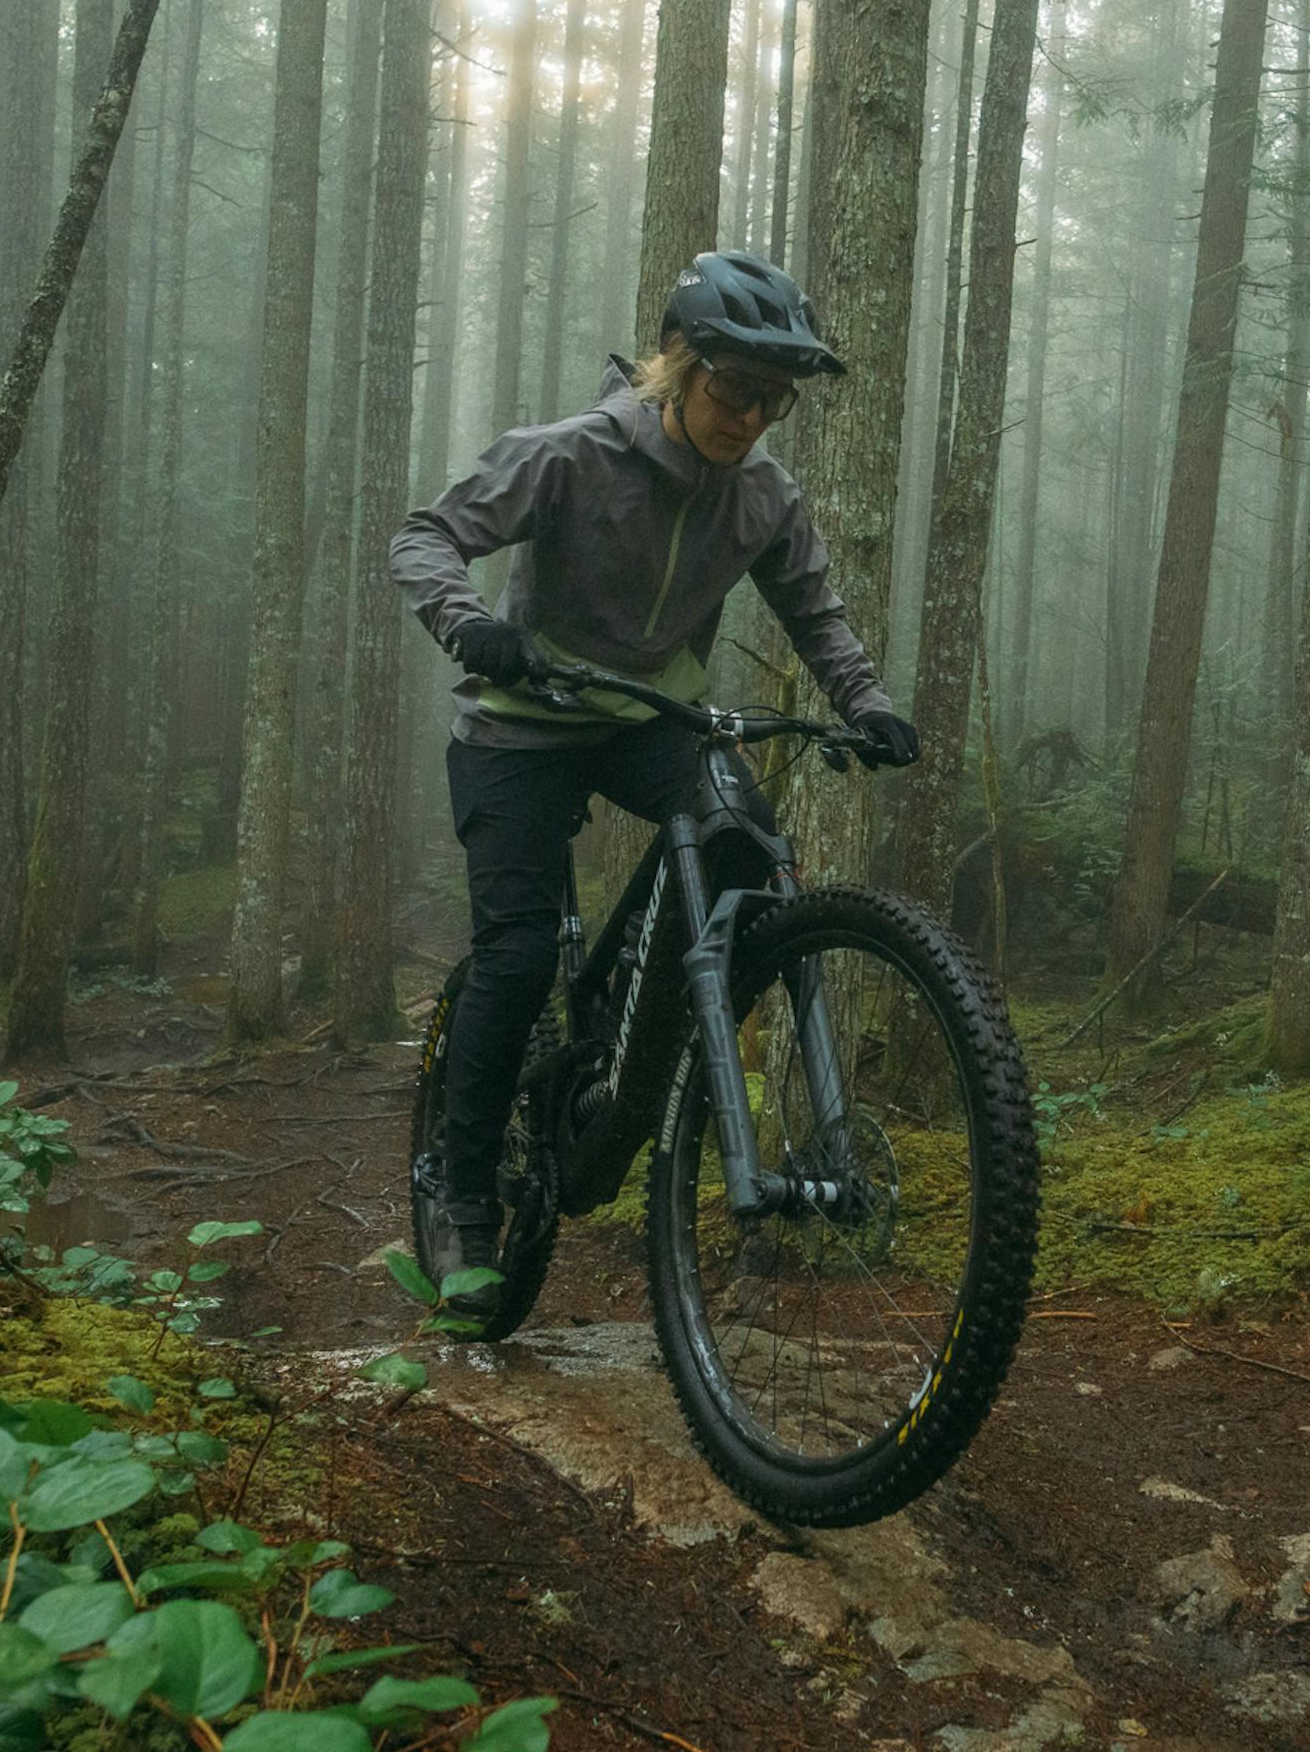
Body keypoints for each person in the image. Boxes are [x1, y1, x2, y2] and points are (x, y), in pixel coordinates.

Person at [388, 250, 921, 1275]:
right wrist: (468, 626)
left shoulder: (763, 495)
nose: (750, 419)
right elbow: (428, 536)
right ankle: (463, 1203)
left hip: (647, 717)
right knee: (514, 955)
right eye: (733, 389)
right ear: (676, 364)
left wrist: (868, 706)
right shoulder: (573, 454)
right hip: (520, 719)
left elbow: (815, 613)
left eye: (774, 401)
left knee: (746, 846)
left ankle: (654, 1037)